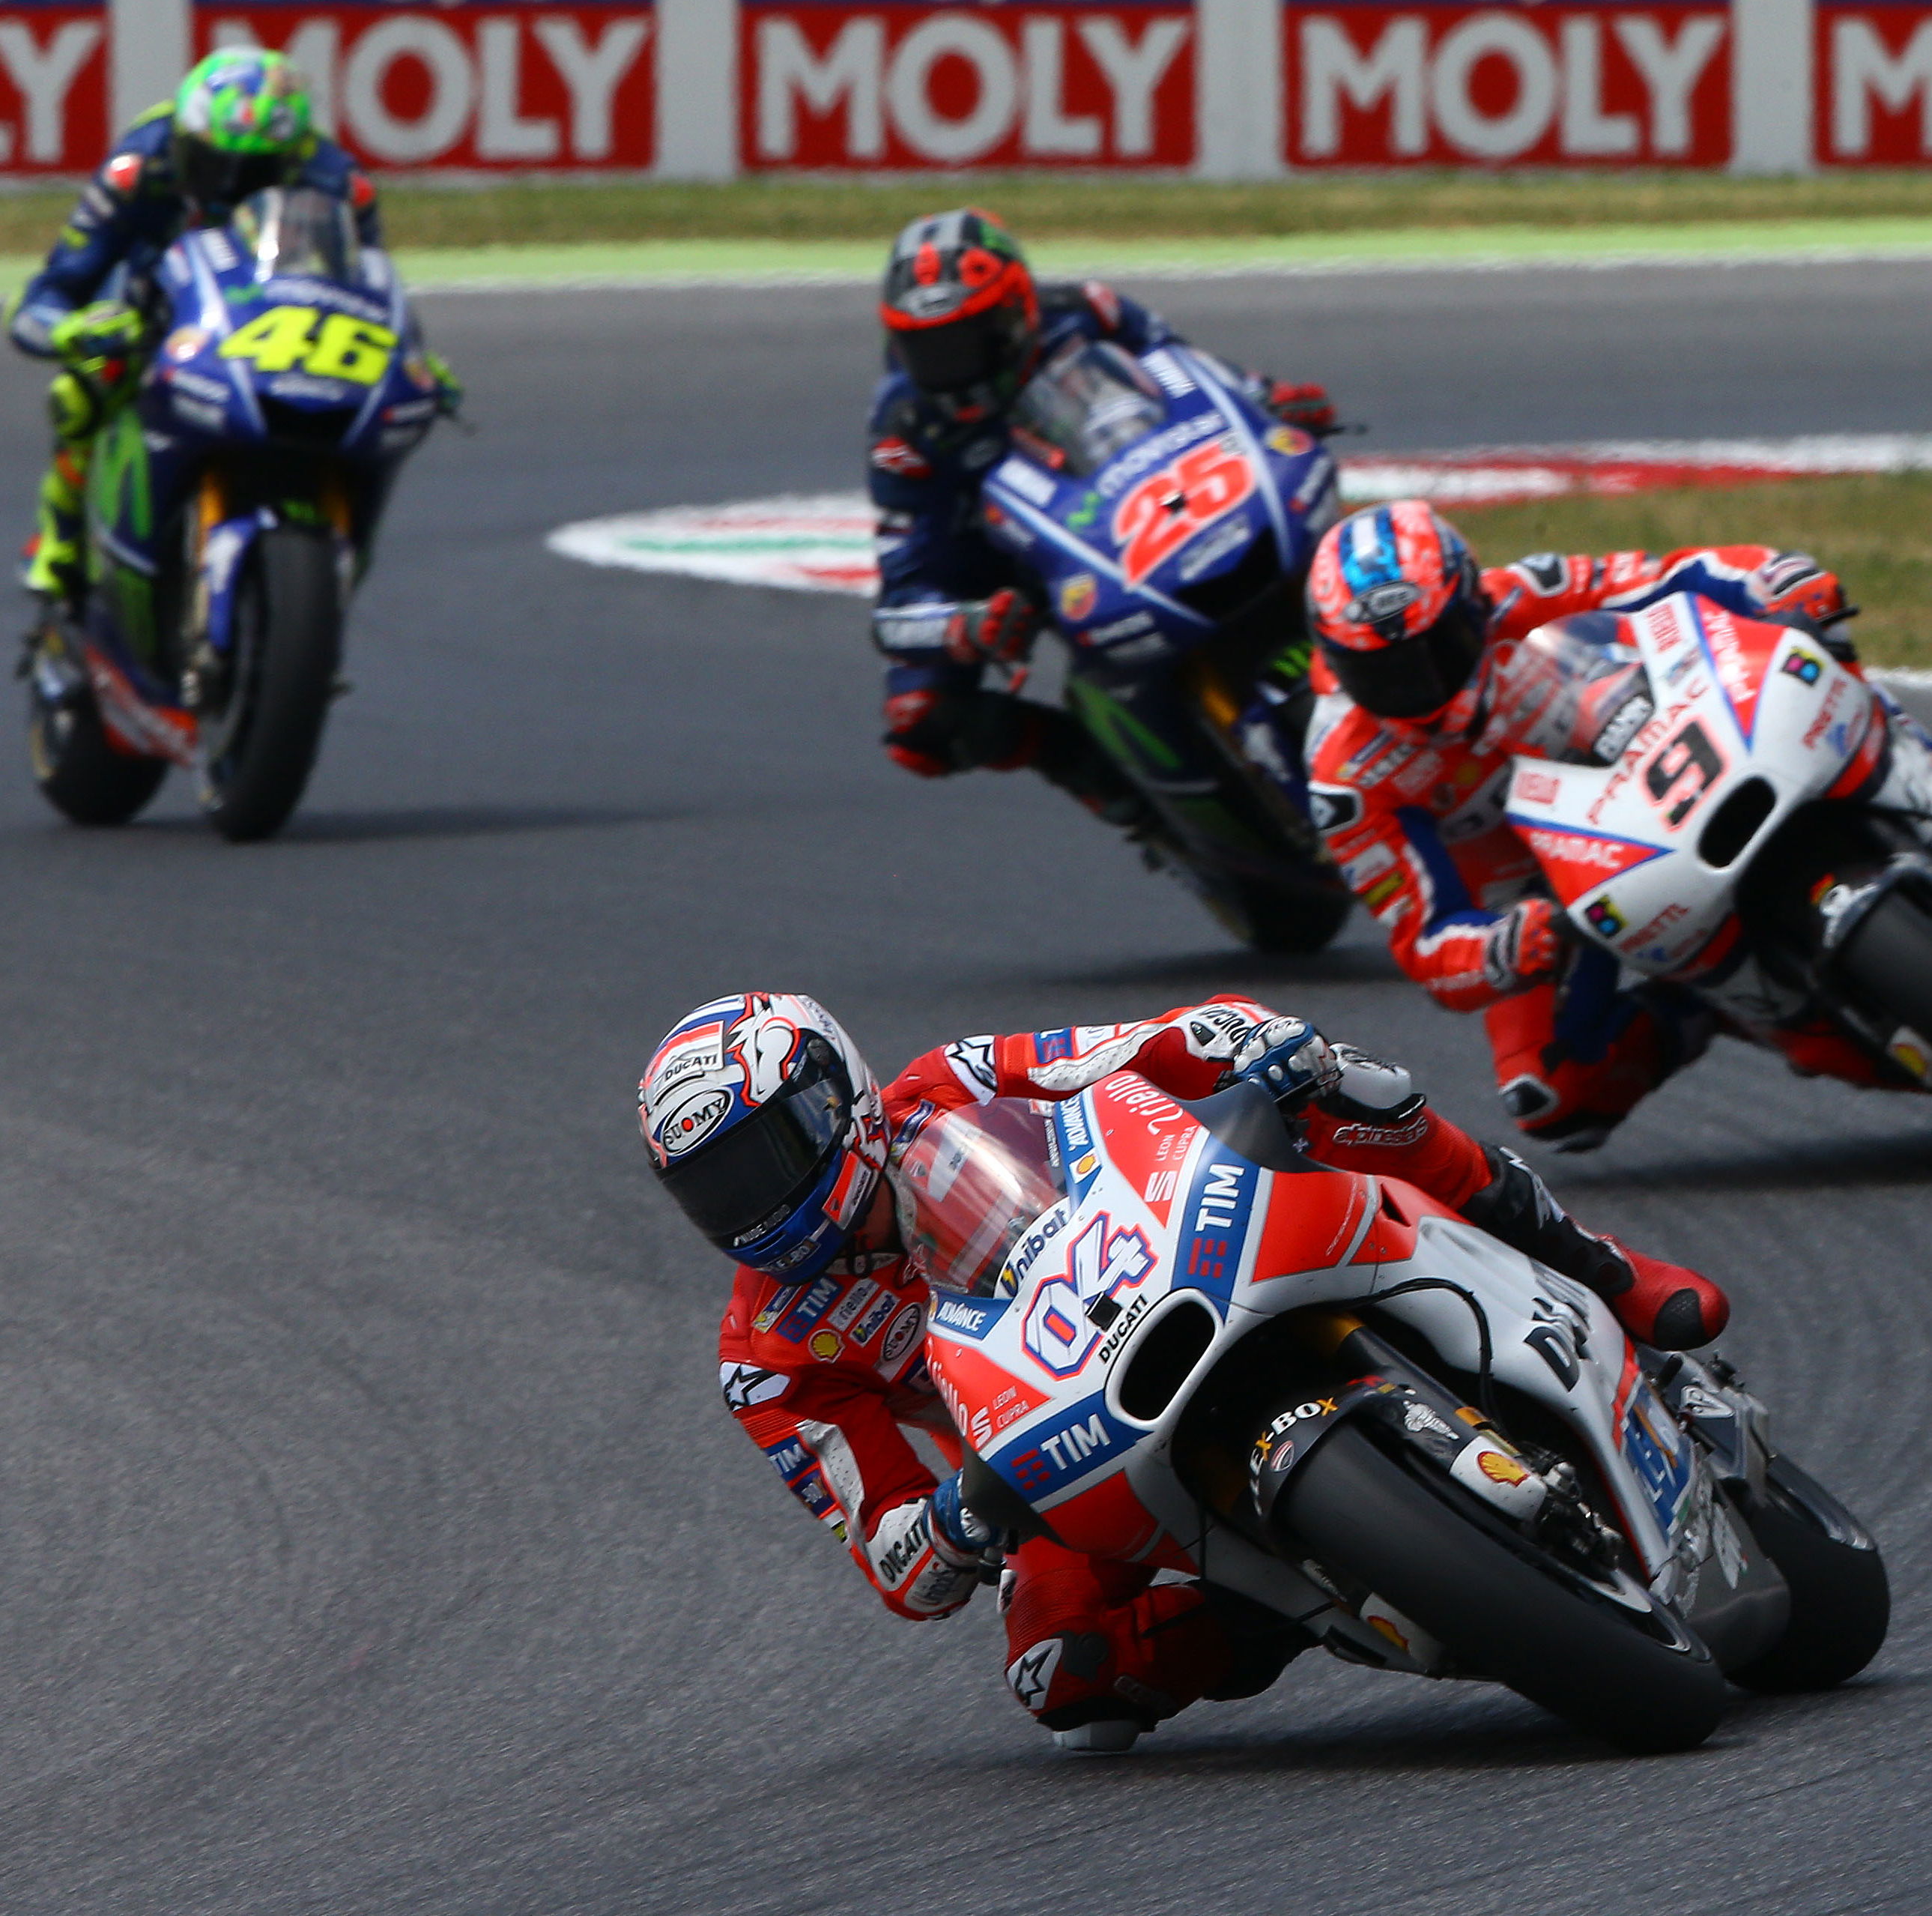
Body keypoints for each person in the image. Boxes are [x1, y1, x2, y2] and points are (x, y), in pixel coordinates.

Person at [640, 990, 1727, 1752]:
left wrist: (1233, 1038)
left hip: (1159, 1257)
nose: (751, 1209)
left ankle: (1603, 1268)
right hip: (1044, 1453)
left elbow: (1134, 1048)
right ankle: (1302, 1593)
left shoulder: (950, 1084)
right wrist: (949, 1531)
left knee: (1347, 1085)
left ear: (833, 1101)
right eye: (714, 1193)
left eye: (763, 1161)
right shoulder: (767, 1357)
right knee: (1065, 1680)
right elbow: (890, 1557)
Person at [1303, 498, 1886, 1151]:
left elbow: (1676, 574)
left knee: (1816, 653)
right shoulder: (1345, 777)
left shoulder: (1523, 592)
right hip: (1547, 895)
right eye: (1381, 673)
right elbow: (1427, 940)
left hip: (1657, 745)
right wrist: (1503, 945)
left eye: (1437, 649)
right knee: (1550, 1093)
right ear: (1335, 660)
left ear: (1470, 603)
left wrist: (1774, 583)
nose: (1420, 685)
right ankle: (1717, 1004)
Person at [867, 206, 1338, 825]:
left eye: (965, 341)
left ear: (1016, 315)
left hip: (1127, 491)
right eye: (926, 348)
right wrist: (964, 624)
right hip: (991, 563)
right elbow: (898, 598)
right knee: (919, 724)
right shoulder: (905, 430)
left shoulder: (1086, 311)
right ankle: (1098, 778)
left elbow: (1184, 370)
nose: (947, 367)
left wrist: (1263, 398)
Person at [8, 46, 458, 617]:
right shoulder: (137, 169)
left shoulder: (340, 183)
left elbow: (368, 287)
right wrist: (72, 330)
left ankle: (327, 568)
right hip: (162, 305)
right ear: (183, 137)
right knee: (82, 391)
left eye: (253, 175)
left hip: (278, 317)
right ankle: (60, 539)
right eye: (209, 163)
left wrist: (409, 355)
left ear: (292, 161)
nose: (224, 188)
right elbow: (51, 291)